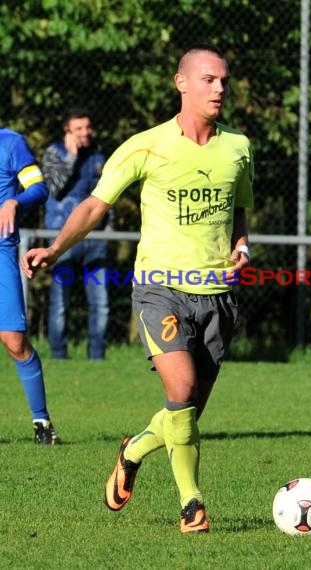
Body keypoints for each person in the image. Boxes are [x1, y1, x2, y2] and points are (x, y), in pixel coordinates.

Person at [22, 44, 254, 531]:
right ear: (182, 83)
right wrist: (55, 249)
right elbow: (93, 205)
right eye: (208, 79)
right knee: (182, 389)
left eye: (224, 81)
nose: (219, 89)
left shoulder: (238, 146)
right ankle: (192, 503)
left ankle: (134, 449)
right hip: (159, 289)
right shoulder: (146, 145)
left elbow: (241, 211)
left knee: (184, 413)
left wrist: (243, 250)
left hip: (218, 295)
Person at [0, 126, 60, 444]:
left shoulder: (11, 143)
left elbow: (39, 188)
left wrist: (15, 203)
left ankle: (42, 422)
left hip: (1, 251)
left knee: (14, 341)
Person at [42, 107, 110, 360]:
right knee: (60, 303)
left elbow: (106, 196)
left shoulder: (97, 156)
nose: (84, 133)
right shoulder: (53, 153)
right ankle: (58, 357)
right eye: (78, 128)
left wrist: (108, 230)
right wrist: (71, 156)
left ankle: (97, 358)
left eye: (87, 127)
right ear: (67, 131)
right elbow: (54, 189)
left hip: (96, 239)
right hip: (62, 239)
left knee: (100, 304)